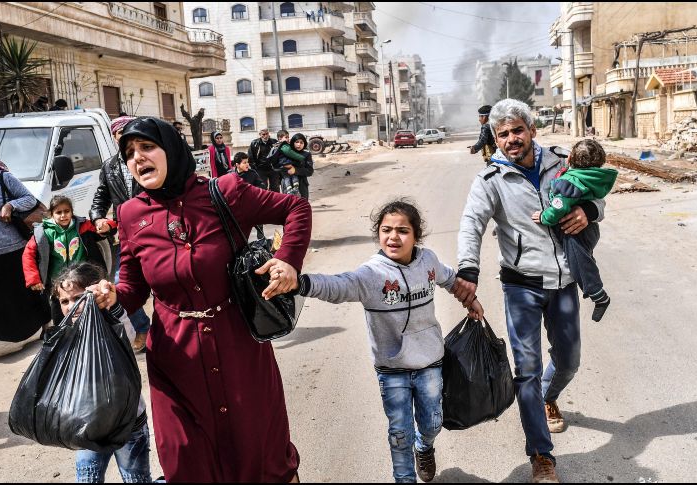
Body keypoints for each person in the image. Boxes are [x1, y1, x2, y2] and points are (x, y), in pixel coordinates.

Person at [87, 116, 312, 482]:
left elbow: (295, 209)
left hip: (239, 347)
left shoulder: (226, 192)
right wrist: (111, 296)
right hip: (175, 361)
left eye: (147, 147)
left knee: (260, 453)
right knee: (186, 460)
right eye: (129, 153)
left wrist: (288, 260)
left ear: (170, 151)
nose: (137, 158)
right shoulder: (130, 214)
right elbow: (132, 289)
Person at [453, 99, 606, 483]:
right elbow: (471, 223)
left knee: (569, 360)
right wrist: (467, 269)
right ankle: (541, 456)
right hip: (521, 284)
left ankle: (546, 397)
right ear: (495, 139)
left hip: (565, 281)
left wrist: (589, 211)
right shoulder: (491, 179)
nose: (511, 139)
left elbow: (596, 188)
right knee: (527, 370)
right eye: (502, 134)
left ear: (531, 130)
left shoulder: (560, 160)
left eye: (517, 131)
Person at [293, 199, 484, 483]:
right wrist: (300, 283)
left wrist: (471, 300)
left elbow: (449, 280)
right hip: (391, 367)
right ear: (378, 233)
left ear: (416, 236)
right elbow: (338, 285)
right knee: (399, 432)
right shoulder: (371, 274)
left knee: (432, 422)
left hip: (429, 362)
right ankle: (404, 478)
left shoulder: (428, 261)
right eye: (386, 230)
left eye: (402, 230)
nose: (393, 237)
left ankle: (424, 446)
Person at [52, 261, 152, 483]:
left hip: (128, 425)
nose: (70, 306)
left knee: (136, 478)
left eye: (78, 298)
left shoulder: (111, 322)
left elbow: (128, 333)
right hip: (87, 427)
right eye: (64, 301)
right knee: (87, 478)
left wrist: (112, 306)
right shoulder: (65, 333)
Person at [531, 139, 617, 322]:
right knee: (584, 260)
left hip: (575, 232)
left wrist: (544, 217)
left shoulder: (570, 181)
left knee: (579, 264)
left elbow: (559, 206)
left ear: (569, 158)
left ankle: (598, 294)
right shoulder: (594, 177)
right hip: (588, 230)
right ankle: (595, 289)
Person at [0, 149, 49, 364]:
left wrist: (10, 205)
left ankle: (47, 324)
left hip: (14, 249)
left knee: (28, 290)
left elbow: (29, 199)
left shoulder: (2, 178)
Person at [90, 115, 152, 353]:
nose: (123, 135)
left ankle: (170, 328)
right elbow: (101, 197)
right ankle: (143, 327)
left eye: (128, 130)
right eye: (119, 133)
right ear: (114, 137)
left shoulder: (147, 158)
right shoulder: (109, 166)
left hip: (155, 228)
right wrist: (98, 218)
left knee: (161, 280)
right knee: (120, 283)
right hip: (125, 234)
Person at [22, 195, 116, 324]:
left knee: (92, 317)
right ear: (51, 214)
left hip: (84, 283)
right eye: (58, 212)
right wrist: (33, 278)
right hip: (58, 286)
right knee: (61, 321)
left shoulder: (83, 226)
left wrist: (107, 226)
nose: (63, 215)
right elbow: (28, 254)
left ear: (72, 212)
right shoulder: (43, 233)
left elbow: (105, 227)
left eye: (66, 211)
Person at [273, 132, 312, 198]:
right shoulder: (285, 152)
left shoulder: (306, 154)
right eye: (297, 142)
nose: (299, 144)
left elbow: (310, 171)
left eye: (301, 142)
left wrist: (295, 170)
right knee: (289, 206)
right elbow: (275, 167)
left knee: (302, 206)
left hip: (302, 185)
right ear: (293, 142)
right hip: (287, 185)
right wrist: (284, 167)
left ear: (304, 143)